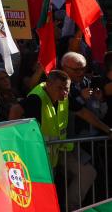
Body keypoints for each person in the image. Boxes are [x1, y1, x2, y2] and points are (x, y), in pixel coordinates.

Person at [24, 69, 112, 212]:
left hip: (60, 149)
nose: (64, 93)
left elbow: (83, 112)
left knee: (88, 172)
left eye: (67, 89)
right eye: (60, 88)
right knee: (45, 190)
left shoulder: (64, 94)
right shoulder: (35, 99)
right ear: (48, 84)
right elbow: (15, 111)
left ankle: (71, 208)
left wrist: (107, 129)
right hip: (39, 156)